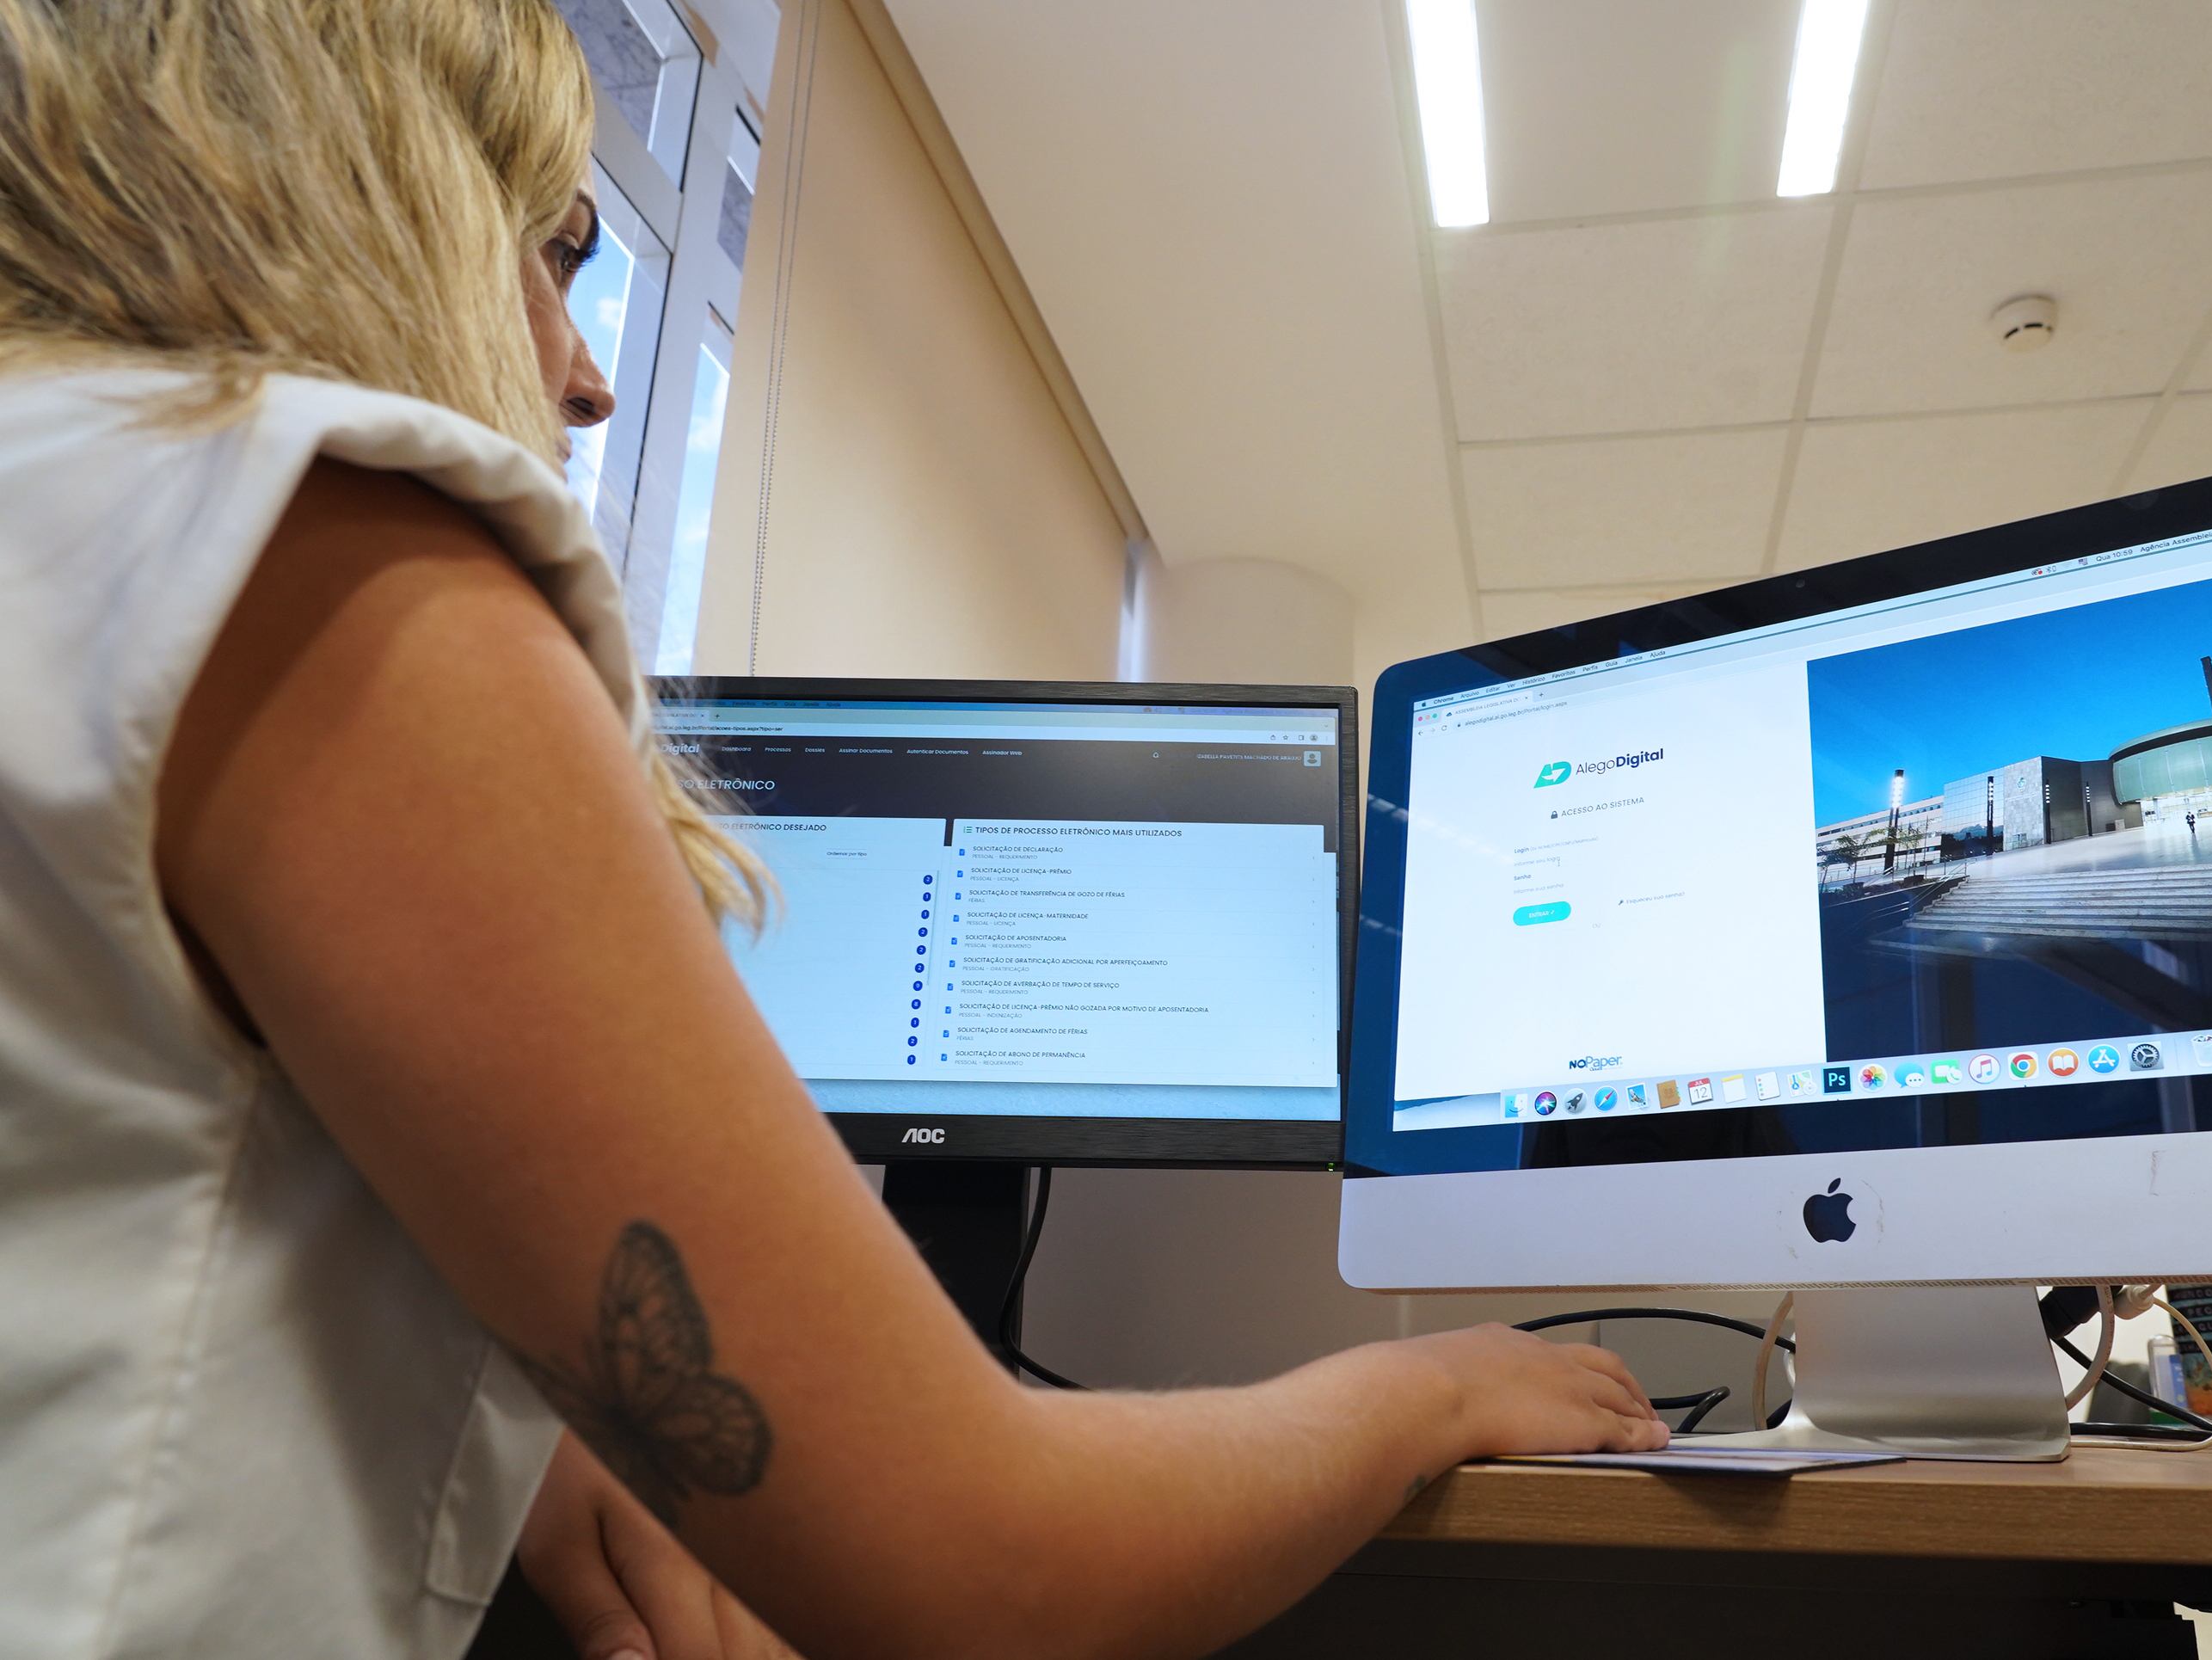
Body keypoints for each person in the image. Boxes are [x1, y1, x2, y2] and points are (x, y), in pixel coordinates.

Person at [0, 4, 1665, 1657]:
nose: (587, 377)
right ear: (364, 186)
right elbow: (997, 1566)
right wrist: (1427, 1384)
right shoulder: (327, 553)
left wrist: (511, 1434)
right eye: (557, 251)